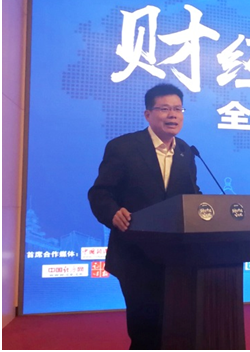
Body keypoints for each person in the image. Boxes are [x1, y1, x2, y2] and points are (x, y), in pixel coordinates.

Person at [88, 83, 200, 349]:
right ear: (148, 114)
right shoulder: (123, 147)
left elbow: (191, 195)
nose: (172, 115)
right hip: (135, 254)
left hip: (177, 257)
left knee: (177, 328)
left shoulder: (186, 152)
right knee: (145, 330)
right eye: (164, 109)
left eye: (178, 109)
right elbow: (100, 193)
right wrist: (113, 213)